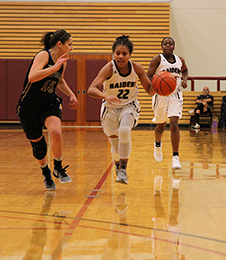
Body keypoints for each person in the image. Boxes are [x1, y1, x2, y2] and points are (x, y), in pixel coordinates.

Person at [88, 35, 155, 185]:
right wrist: (105, 96)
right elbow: (91, 89)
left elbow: (150, 91)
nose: (120, 56)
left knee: (124, 130)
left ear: (130, 55)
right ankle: (118, 164)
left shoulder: (136, 68)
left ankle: (123, 169)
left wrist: (158, 84)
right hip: (110, 108)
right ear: (113, 54)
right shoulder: (108, 68)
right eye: (117, 53)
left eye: (124, 53)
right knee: (115, 145)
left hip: (129, 105)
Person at [17, 29, 78, 190]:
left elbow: (60, 81)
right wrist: (54, 67)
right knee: (39, 147)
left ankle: (58, 167)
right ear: (60, 44)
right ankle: (45, 172)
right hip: (28, 106)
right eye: (70, 45)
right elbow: (32, 76)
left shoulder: (62, 62)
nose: (72, 48)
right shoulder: (43, 56)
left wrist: (72, 95)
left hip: (48, 102)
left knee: (56, 132)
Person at [148, 37, 189, 170]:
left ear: (174, 47)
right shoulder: (157, 59)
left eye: (170, 44)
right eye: (165, 44)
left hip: (175, 94)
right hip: (160, 95)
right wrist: (156, 82)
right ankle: (157, 144)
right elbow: (148, 76)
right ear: (161, 46)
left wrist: (184, 79)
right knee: (161, 126)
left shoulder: (180, 60)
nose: (168, 46)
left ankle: (175, 157)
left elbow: (185, 70)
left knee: (174, 123)